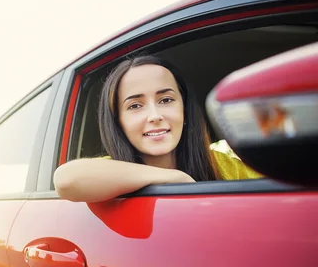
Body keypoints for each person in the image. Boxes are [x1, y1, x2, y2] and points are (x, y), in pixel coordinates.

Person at [54, 55, 261, 203]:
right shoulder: (108, 173)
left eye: (166, 100)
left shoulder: (223, 166)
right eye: (135, 106)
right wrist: (174, 178)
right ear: (119, 122)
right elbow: (66, 180)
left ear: (185, 110)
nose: (154, 116)